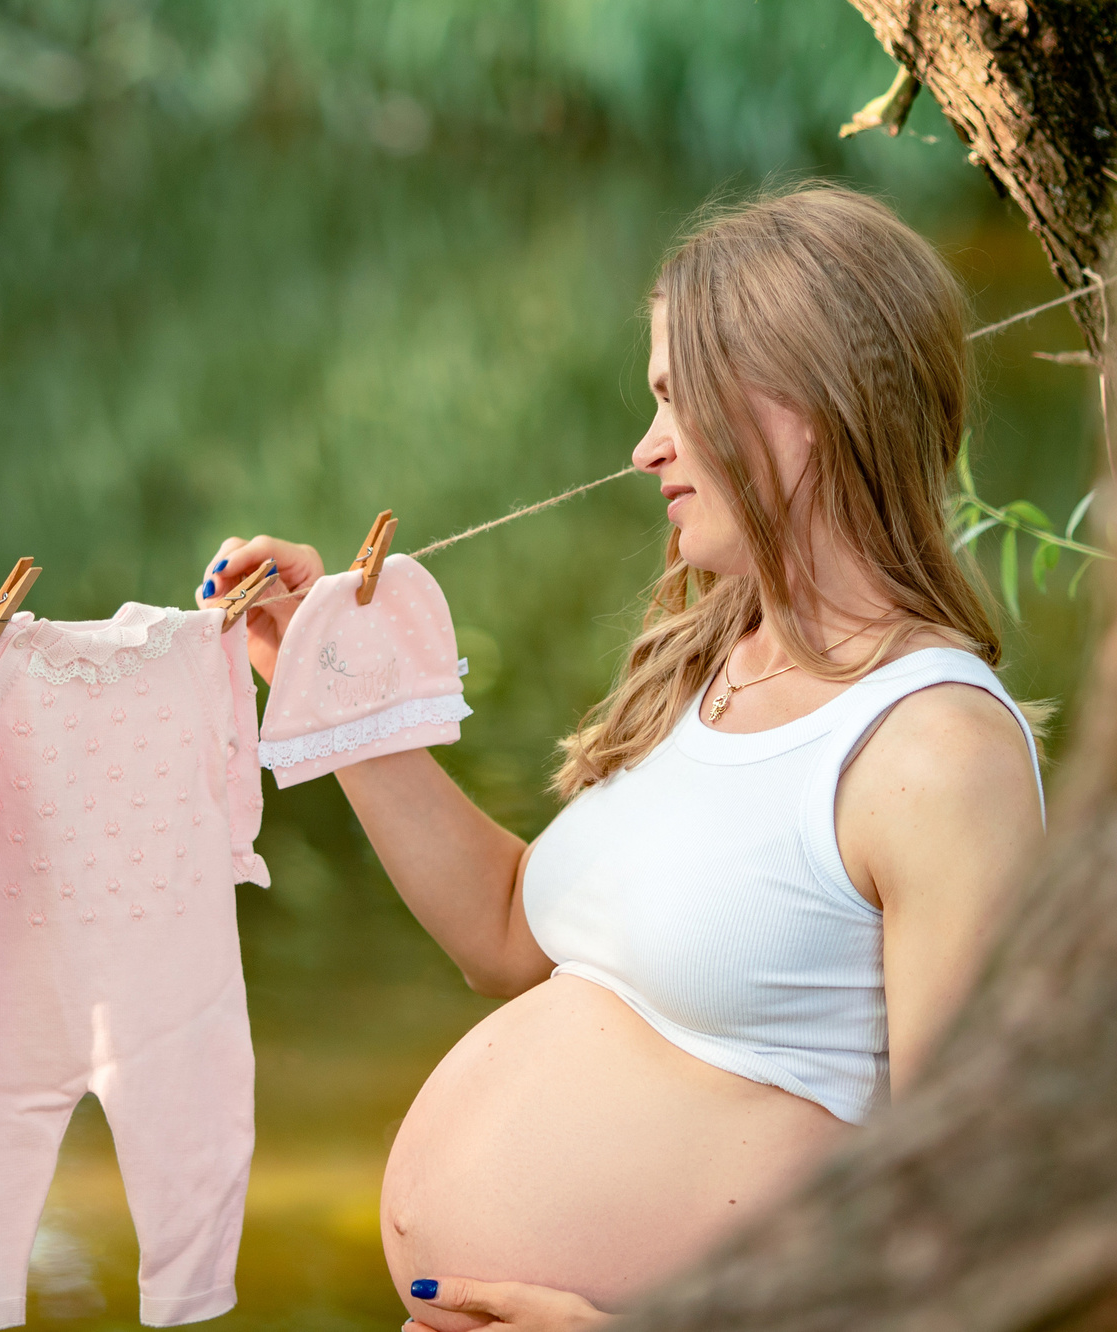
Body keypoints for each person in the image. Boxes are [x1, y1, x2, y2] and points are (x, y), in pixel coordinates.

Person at [201, 187, 1047, 1331]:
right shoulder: (713, 658)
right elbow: (509, 931)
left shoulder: (936, 750)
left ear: (802, 406)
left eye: (672, 397)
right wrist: (331, 686)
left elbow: (976, 1217)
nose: (644, 446)